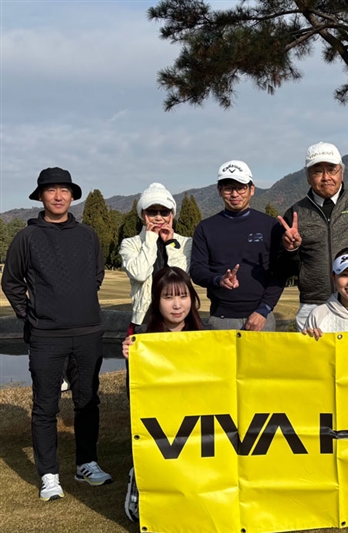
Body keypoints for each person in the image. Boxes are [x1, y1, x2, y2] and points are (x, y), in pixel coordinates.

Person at [1, 167, 112, 501]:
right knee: (45, 406)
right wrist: (30, 315)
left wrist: (78, 304)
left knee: (87, 401)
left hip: (88, 332)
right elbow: (11, 282)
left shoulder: (88, 235)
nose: (58, 196)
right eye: (51, 190)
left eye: (64, 190)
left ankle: (86, 464)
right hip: (47, 336)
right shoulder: (27, 237)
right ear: (41, 196)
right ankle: (49, 474)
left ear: (72, 196)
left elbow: (96, 275)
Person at [122, 266, 204, 523]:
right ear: (157, 301)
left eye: (183, 296)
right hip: (163, 425)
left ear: (192, 298)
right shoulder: (144, 341)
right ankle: (139, 483)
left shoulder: (208, 337)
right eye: (168, 297)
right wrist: (133, 359)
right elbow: (135, 394)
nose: (177, 305)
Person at [277, 142, 348, 331]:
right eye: (318, 171)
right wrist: (291, 250)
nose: (326, 177)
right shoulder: (294, 213)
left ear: (342, 172)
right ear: (308, 176)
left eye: (332, 170)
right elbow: (285, 269)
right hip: (313, 304)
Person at [190, 160, 285, 331]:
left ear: (252, 189)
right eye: (228, 188)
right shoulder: (206, 228)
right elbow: (197, 270)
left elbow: (279, 273)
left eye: (241, 187)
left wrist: (263, 310)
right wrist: (218, 280)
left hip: (261, 317)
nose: (235, 194)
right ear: (219, 190)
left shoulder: (269, 225)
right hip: (221, 318)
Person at [119, 182, 192, 330]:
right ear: (143, 214)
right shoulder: (130, 243)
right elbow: (139, 274)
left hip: (178, 316)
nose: (158, 217)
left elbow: (181, 277)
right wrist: (150, 239)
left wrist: (170, 243)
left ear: (171, 214)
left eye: (164, 212)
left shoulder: (185, 242)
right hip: (145, 316)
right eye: (152, 212)